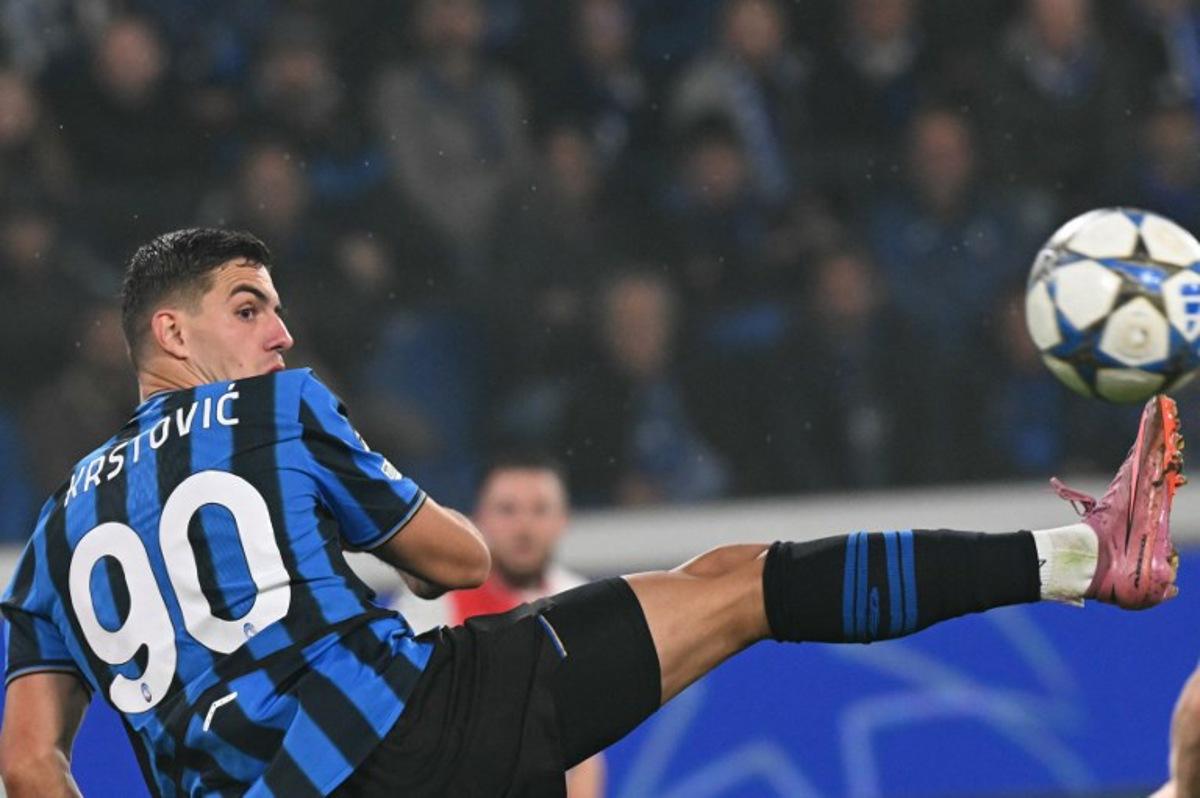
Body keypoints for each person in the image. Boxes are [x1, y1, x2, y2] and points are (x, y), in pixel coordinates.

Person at [0, 227, 1184, 797]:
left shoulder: (50, 539)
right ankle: (1084, 558)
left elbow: (28, 763)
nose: (281, 331)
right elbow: (452, 558)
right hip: (412, 729)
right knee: (742, 584)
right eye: (250, 306)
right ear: (172, 332)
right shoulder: (277, 411)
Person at [394, 452, 604, 797]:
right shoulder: (435, 603)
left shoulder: (582, 603)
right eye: (507, 510)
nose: (524, 527)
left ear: (563, 520)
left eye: (540, 510)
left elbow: (585, 746)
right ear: (479, 519)